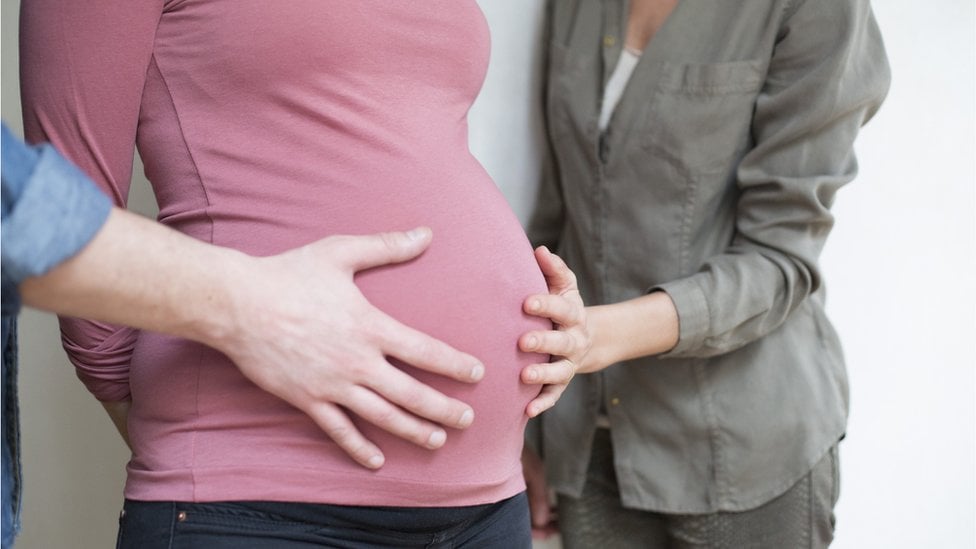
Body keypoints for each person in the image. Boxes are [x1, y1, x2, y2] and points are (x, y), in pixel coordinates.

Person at [18, 1, 588, 547]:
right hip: (261, 496)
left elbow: (407, 149)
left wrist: (531, 342)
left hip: (489, 502)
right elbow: (52, 224)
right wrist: (200, 446)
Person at [522, 0, 891, 547]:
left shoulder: (815, 9)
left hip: (743, 453)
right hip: (589, 448)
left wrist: (596, 336)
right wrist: (523, 431)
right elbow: (556, 218)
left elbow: (780, 259)